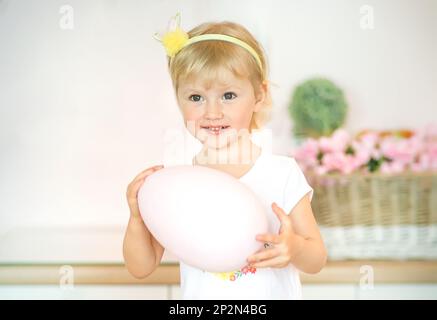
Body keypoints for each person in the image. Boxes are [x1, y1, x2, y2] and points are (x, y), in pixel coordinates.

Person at [123, 13, 327, 299]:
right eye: (196, 98)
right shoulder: (174, 183)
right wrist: (136, 218)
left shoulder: (281, 173)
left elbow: (316, 259)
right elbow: (141, 268)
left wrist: (293, 248)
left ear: (259, 94)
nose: (212, 112)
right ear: (178, 98)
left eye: (228, 95)